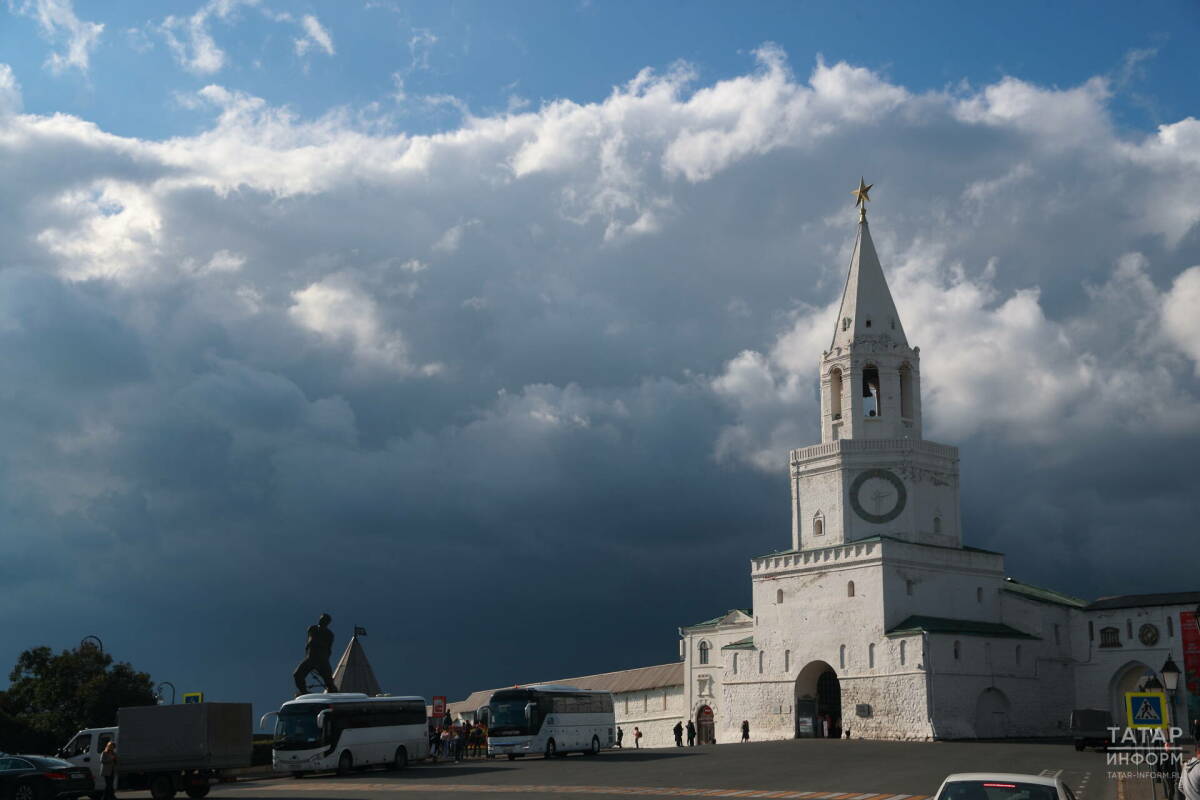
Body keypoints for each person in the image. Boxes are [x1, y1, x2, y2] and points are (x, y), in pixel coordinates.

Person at [292, 613, 337, 695]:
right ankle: (303, 692)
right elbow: (309, 643)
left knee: (329, 682)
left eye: (324, 620)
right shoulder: (312, 629)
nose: (321, 621)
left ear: (327, 622)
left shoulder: (329, 634)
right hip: (310, 657)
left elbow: (328, 649)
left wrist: (324, 660)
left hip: (322, 659)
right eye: (321, 619)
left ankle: (334, 694)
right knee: (297, 674)